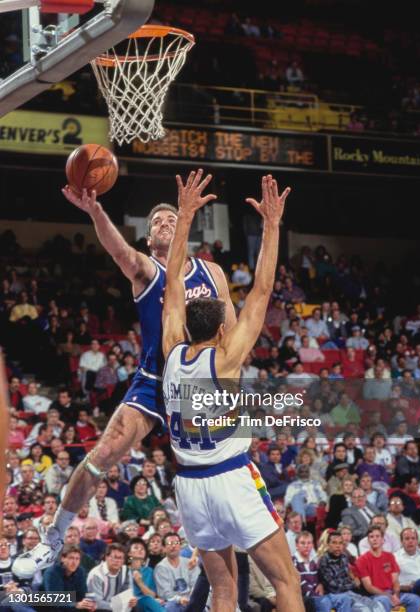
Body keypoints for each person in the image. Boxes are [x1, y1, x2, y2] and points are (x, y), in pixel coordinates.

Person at [16, 169, 235, 574]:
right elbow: (119, 251)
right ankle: (53, 536)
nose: (165, 222)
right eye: (156, 223)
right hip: (155, 381)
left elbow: (233, 334)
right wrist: (96, 211)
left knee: (218, 477)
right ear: (150, 242)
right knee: (103, 454)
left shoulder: (212, 273)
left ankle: (219, 568)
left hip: (200, 385)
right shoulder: (147, 272)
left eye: (172, 218)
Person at [161, 172, 303, 612]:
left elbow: (172, 286)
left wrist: (183, 218)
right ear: (223, 329)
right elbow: (261, 290)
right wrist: (273, 225)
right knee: (287, 582)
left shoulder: (170, 354)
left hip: (188, 486)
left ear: (186, 326)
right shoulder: (225, 360)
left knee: (223, 590)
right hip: (231, 478)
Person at [355, 525, 420, 612]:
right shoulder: (362, 560)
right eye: (371, 537)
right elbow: (369, 587)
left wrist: (396, 596)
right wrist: (389, 597)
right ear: (368, 540)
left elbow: (395, 581)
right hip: (375, 596)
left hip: (392, 593)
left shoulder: (389, 556)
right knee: (384, 600)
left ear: (383, 540)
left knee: (415, 600)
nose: (374, 539)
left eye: (377, 536)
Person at [294, 531, 351, 612]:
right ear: (296, 545)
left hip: (321, 595)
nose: (306, 546)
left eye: (309, 543)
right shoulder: (293, 561)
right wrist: (316, 594)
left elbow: (320, 578)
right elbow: (300, 583)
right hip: (305, 597)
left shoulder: (313, 561)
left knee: (345, 598)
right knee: (324, 602)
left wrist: (321, 584)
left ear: (312, 545)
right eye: (303, 543)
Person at [42, 544, 96, 610]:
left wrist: (89, 604)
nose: (74, 562)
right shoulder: (52, 572)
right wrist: (76, 604)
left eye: (77, 559)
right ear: (63, 559)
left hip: (70, 606)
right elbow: (55, 600)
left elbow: (82, 594)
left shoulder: (80, 571)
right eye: (71, 558)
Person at [154, 532, 199, 611]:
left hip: (191, 599)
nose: (173, 546)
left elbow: (196, 584)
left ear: (180, 546)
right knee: (171, 606)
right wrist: (180, 599)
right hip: (173, 603)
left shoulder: (189, 563)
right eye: (170, 543)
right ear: (164, 548)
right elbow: (165, 593)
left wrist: (191, 598)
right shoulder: (160, 568)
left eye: (176, 543)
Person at [87, 543, 137, 611]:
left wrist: (131, 601)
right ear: (106, 557)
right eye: (114, 557)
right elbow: (97, 603)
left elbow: (127, 594)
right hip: (100, 609)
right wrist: (116, 606)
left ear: (123, 560)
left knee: (136, 607)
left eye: (120, 558)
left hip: (118, 606)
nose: (117, 561)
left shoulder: (125, 571)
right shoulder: (96, 574)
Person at [395, 527, 420, 603]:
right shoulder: (395, 558)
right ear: (401, 541)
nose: (410, 541)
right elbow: (389, 583)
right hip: (411, 591)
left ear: (417, 541)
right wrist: (404, 587)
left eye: (413, 538)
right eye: (407, 539)